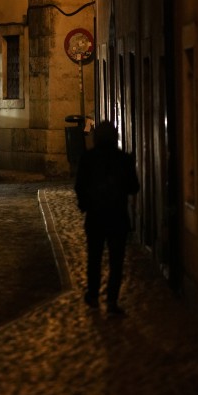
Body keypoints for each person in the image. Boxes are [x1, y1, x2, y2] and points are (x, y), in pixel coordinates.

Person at [74, 121, 140, 316]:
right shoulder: (123, 160)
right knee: (116, 261)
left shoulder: (87, 159)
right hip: (117, 217)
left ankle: (93, 295)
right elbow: (133, 187)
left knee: (94, 257)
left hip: (95, 217)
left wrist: (84, 204)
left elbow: (80, 186)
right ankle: (112, 300)